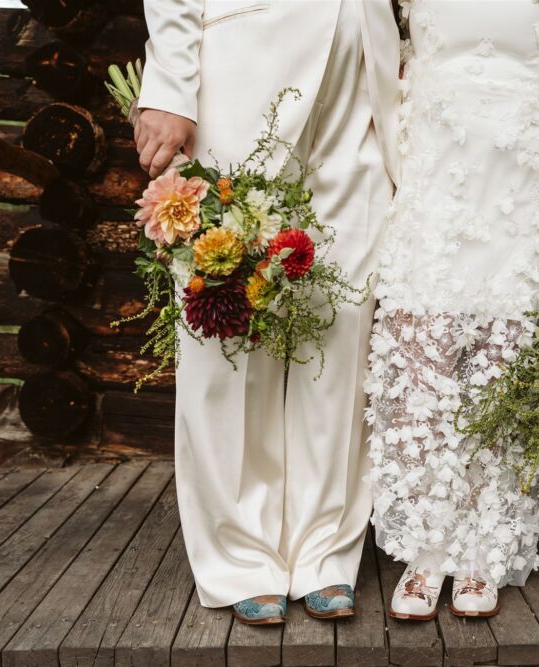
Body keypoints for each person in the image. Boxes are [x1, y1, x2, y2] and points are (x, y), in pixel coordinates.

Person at [134, 0, 401, 624]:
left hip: (362, 62)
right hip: (242, 62)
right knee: (228, 311)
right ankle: (240, 553)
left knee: (341, 317)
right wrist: (170, 87)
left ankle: (326, 551)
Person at [366, 0, 539, 620]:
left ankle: (484, 546)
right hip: (431, 162)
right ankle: (426, 547)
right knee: (419, 346)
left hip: (526, 173)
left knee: (505, 355)